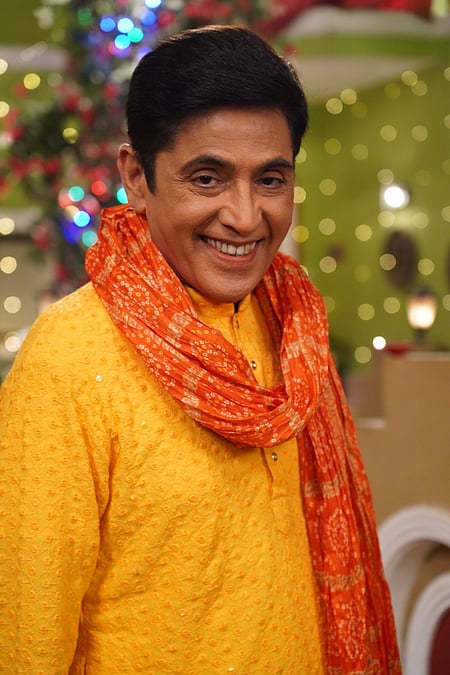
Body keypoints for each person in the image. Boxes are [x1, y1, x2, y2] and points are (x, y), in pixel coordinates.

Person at [0, 25, 401, 674]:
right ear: (137, 177)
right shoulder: (69, 359)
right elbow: (24, 642)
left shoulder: (294, 329)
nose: (244, 216)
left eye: (270, 180)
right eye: (208, 178)